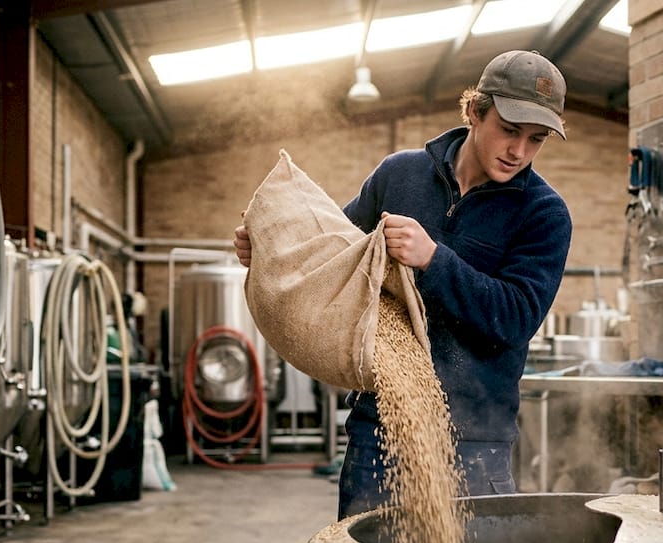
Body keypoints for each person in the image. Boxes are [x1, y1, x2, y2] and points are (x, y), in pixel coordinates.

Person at [235, 50, 572, 518]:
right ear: (475, 111)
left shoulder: (543, 214)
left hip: (474, 442)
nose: (519, 151)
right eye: (510, 130)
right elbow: (338, 256)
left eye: (536, 140)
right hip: (379, 426)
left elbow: (515, 318)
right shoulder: (401, 174)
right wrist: (271, 251)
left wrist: (433, 261)